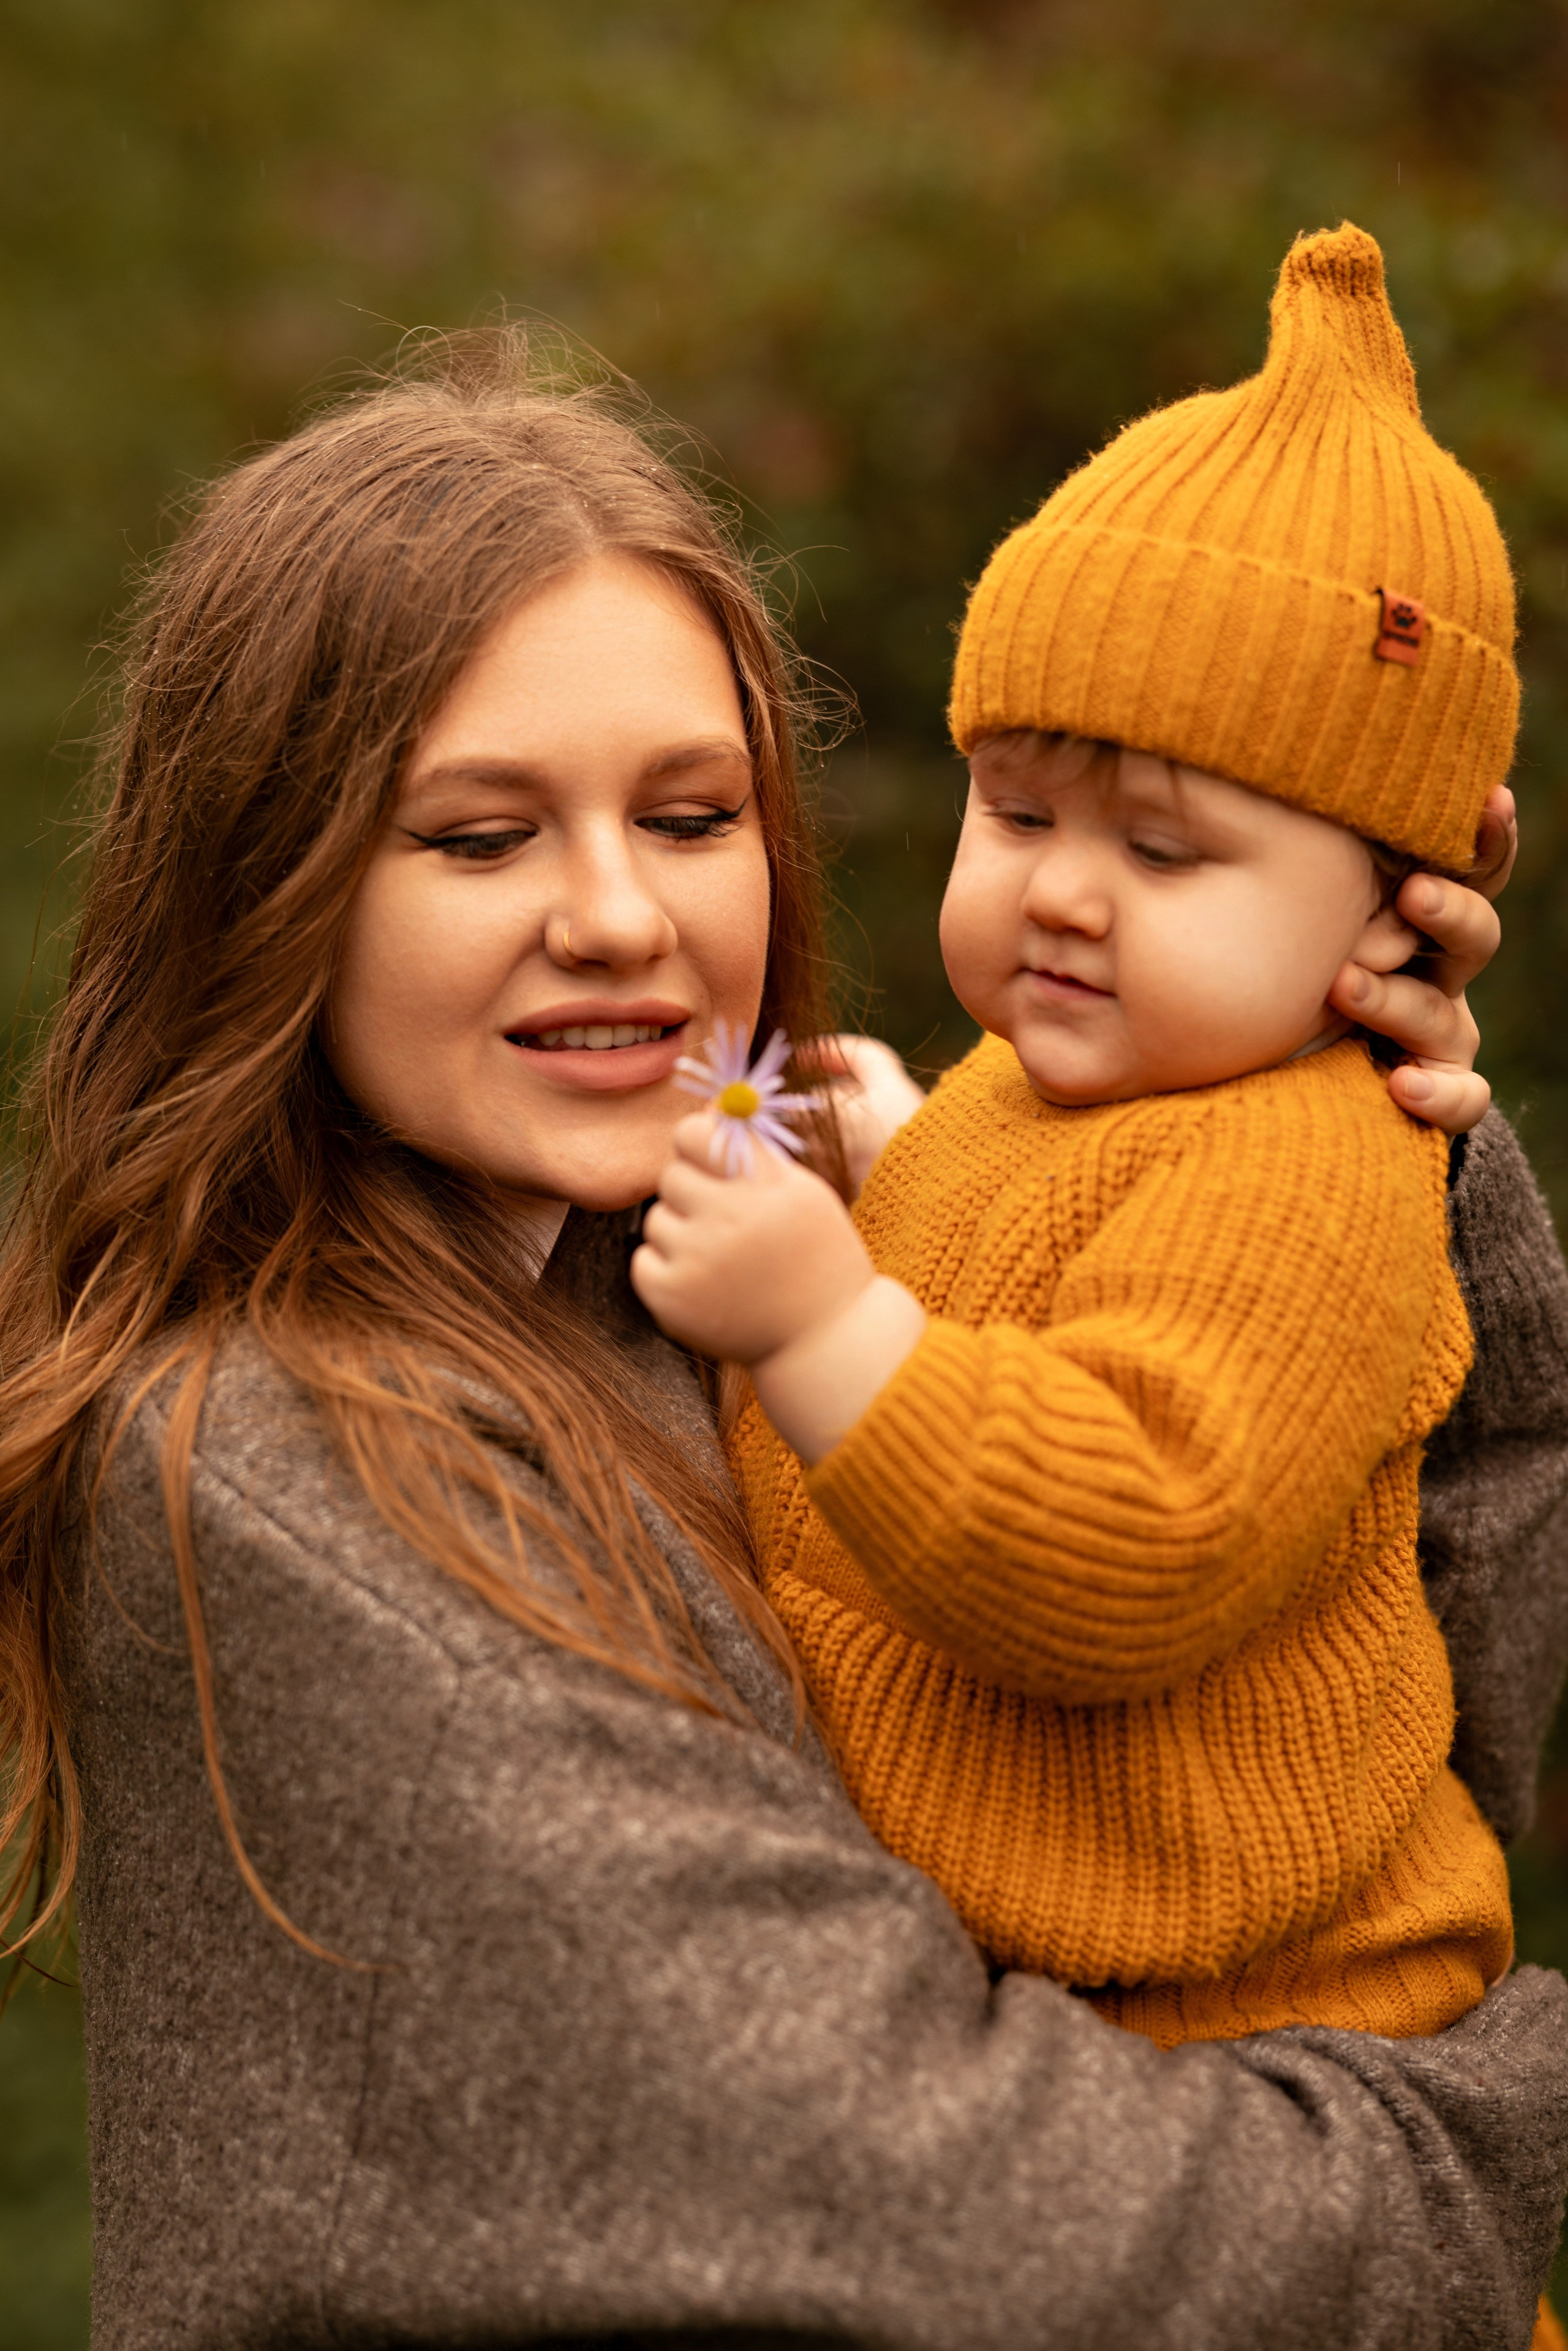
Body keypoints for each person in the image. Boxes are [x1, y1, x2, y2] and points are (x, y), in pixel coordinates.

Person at [0, 334, 1564, 2351]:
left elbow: (1411, 1736)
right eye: (480, 838)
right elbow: (969, 2219)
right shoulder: (280, 1469)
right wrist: (1468, 2134)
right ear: (269, 890)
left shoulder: (742, 1236)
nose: (622, 919)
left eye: (690, 814)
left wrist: (1345, 1139)